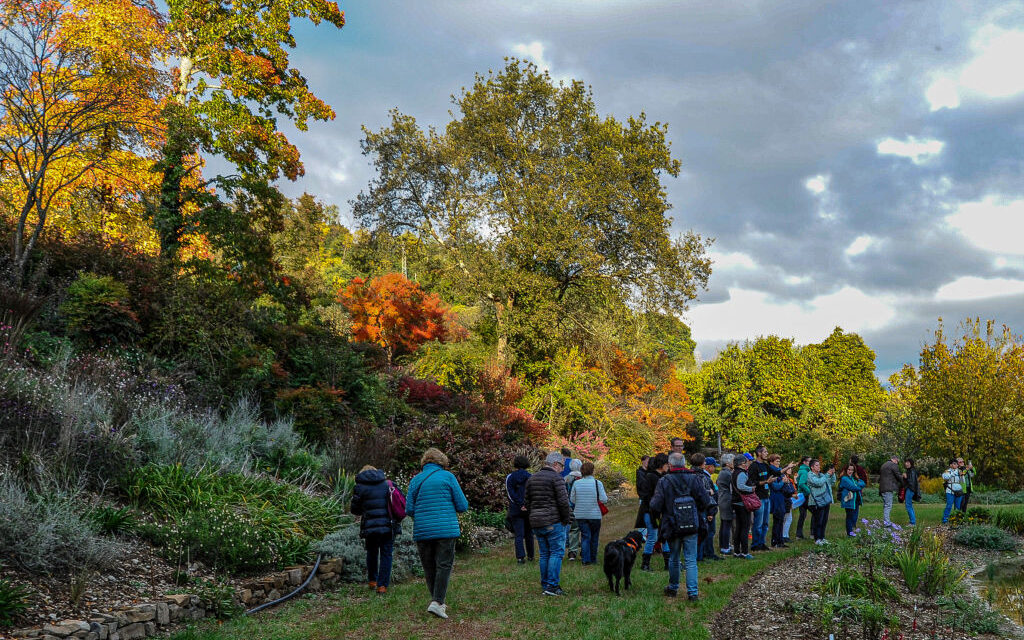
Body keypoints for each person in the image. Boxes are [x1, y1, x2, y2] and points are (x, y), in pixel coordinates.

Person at [406, 448, 469, 619]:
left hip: (423, 530)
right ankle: (437, 602)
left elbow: (409, 509)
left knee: (429, 566)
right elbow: (462, 505)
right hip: (445, 529)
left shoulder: (415, 480)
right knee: (443, 565)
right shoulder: (448, 477)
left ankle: (436, 601)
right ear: (442, 461)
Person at [649, 452, 713, 601]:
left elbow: (655, 505)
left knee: (674, 558)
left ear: (670, 465)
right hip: (691, 523)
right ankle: (693, 592)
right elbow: (705, 500)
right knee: (691, 559)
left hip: (672, 524)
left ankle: (673, 587)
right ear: (684, 464)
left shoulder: (665, 481)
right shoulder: (694, 478)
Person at [526, 451, 572, 596]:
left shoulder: (532, 478)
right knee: (556, 553)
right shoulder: (556, 478)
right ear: (555, 464)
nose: (563, 469)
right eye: (562, 466)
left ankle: (545, 584)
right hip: (553, 520)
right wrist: (566, 519)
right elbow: (564, 502)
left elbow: (527, 501)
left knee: (544, 553)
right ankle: (552, 586)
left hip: (536, 521)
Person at [351, 465, 400, 594]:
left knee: (372, 553)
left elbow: (354, 509)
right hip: (387, 525)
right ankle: (382, 586)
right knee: (386, 554)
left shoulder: (359, 487)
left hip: (370, 526)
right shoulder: (388, 484)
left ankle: (373, 580)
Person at [569, 461, 607, 566]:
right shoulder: (597, 483)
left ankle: (585, 560)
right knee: (594, 537)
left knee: (585, 536)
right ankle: (593, 558)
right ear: (592, 471)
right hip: (595, 514)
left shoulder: (576, 483)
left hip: (580, 514)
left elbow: (572, 499)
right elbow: (604, 499)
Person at [636, 453, 663, 571]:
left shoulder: (653, 477)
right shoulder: (651, 478)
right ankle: (645, 563)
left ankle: (668, 561)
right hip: (651, 510)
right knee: (653, 535)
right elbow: (645, 494)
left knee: (662, 536)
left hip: (653, 509)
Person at [690, 453, 719, 561]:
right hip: (703, 508)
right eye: (704, 462)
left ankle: (701, 554)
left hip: (696, 507)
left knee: (700, 532)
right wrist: (711, 510)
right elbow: (702, 493)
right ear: (702, 464)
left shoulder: (690, 474)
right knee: (703, 532)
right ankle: (701, 555)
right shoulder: (701, 476)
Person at [748, 445, 777, 551]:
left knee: (765, 523)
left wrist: (788, 468)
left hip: (766, 496)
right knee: (758, 523)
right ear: (759, 453)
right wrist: (766, 482)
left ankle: (762, 542)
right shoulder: (753, 466)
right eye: (765, 452)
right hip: (758, 498)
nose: (767, 453)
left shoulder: (765, 465)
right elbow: (752, 482)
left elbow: (776, 472)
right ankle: (755, 544)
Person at [506, 455, 534, 564]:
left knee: (519, 534)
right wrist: (526, 504)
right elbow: (532, 492)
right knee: (529, 533)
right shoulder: (530, 477)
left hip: (515, 509)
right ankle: (531, 555)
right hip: (528, 508)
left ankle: (520, 557)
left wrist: (519, 504)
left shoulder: (510, 477)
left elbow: (510, 493)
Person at [730, 456, 756, 559]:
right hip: (742, 503)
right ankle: (745, 552)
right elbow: (741, 486)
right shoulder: (741, 473)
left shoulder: (734, 472)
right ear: (742, 463)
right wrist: (751, 488)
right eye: (746, 462)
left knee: (739, 528)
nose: (747, 464)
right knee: (745, 528)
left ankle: (737, 551)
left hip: (737, 502)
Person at [807, 459, 836, 545]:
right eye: (816, 465)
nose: (819, 466)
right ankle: (817, 539)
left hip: (825, 500)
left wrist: (832, 474)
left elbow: (831, 482)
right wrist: (827, 475)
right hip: (816, 501)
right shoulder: (810, 475)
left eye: (819, 465)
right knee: (818, 521)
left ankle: (822, 537)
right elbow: (818, 483)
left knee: (824, 520)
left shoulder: (821, 475)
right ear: (812, 467)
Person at [768, 456, 794, 547]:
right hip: (776, 498)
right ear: (771, 462)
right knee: (777, 520)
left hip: (782, 497)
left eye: (779, 461)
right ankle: (775, 541)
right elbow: (775, 487)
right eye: (777, 461)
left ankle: (780, 540)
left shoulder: (780, 472)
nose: (778, 463)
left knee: (781, 519)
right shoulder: (771, 472)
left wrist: (786, 482)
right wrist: (783, 482)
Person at [839, 464, 866, 537]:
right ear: (845, 470)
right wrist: (858, 486)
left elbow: (863, 483)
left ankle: (853, 532)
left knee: (854, 517)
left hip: (856, 501)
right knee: (850, 517)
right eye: (849, 469)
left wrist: (857, 484)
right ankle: (849, 534)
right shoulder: (844, 478)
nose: (850, 471)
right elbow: (853, 487)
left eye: (852, 470)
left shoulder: (854, 478)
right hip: (849, 501)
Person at [564, 459, 583, 561]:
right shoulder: (582, 478)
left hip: (571, 506)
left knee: (573, 530)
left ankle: (572, 552)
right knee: (584, 529)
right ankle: (584, 550)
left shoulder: (566, 479)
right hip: (582, 506)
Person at [716, 454, 734, 556]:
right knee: (726, 524)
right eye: (732, 461)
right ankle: (725, 547)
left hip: (722, 499)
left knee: (724, 524)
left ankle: (723, 545)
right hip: (727, 500)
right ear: (727, 463)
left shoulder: (722, 473)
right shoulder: (727, 474)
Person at [878, 454, 903, 526]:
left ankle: (886, 521)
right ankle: (887, 523)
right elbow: (898, 475)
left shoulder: (884, 465)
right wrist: (904, 482)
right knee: (888, 505)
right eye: (897, 461)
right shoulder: (893, 465)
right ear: (895, 459)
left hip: (882, 488)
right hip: (888, 488)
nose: (897, 463)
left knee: (886, 505)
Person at [941, 458, 964, 524]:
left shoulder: (959, 471)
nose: (956, 465)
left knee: (957, 507)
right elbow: (946, 477)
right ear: (950, 465)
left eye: (957, 464)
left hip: (958, 491)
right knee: (949, 506)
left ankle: (956, 520)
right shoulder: (947, 471)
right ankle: (945, 520)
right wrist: (955, 472)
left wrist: (962, 475)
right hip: (950, 491)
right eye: (954, 464)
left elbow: (962, 481)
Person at [795, 456, 811, 540]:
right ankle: (813, 533)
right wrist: (809, 491)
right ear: (804, 462)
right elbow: (801, 483)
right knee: (816, 513)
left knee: (802, 515)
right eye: (809, 461)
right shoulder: (804, 471)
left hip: (801, 495)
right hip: (805, 495)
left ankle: (799, 534)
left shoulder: (802, 470)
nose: (810, 463)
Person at [903, 458, 920, 526]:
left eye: (908, 462)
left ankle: (912, 522)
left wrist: (906, 477)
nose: (906, 464)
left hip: (910, 489)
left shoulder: (912, 471)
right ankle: (913, 521)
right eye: (906, 462)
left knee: (908, 505)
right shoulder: (910, 470)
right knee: (909, 505)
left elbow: (912, 482)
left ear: (911, 463)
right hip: (910, 489)